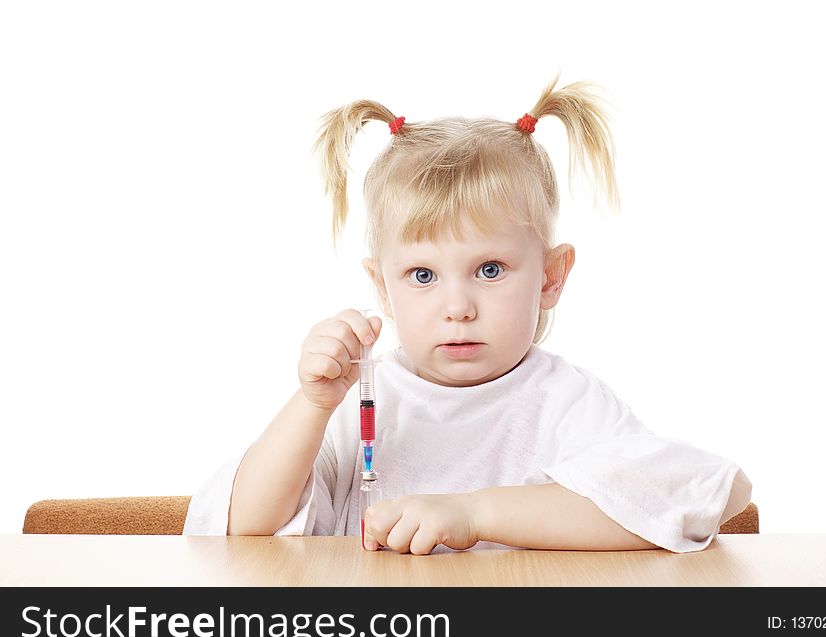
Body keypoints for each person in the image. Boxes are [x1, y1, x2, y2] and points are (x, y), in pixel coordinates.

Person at [183, 72, 752, 554]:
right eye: (423, 276)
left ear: (551, 276)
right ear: (382, 286)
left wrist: (474, 515)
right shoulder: (359, 397)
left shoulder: (564, 401)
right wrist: (311, 405)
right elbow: (236, 533)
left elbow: (713, 493)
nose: (457, 309)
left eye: (489, 270)